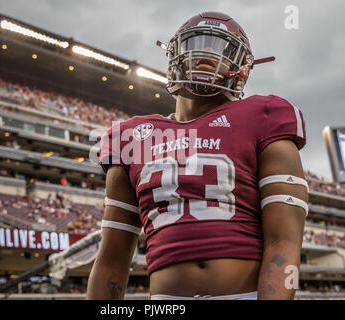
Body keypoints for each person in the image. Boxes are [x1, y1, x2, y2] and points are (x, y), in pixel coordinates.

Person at [87, 12, 308, 300]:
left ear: (240, 68)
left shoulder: (264, 116)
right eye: (198, 43)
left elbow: (283, 243)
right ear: (174, 56)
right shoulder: (131, 136)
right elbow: (110, 261)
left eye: (222, 50)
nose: (207, 55)